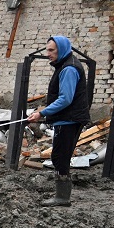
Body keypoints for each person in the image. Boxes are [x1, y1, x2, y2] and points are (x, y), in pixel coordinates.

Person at [28, 35, 90, 207]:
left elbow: (65, 99)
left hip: (69, 120)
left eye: (51, 50)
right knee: (60, 156)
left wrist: (42, 113)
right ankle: (61, 195)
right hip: (67, 119)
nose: (48, 54)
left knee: (60, 157)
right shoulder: (66, 65)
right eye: (47, 49)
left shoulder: (68, 68)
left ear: (61, 49)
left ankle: (62, 198)